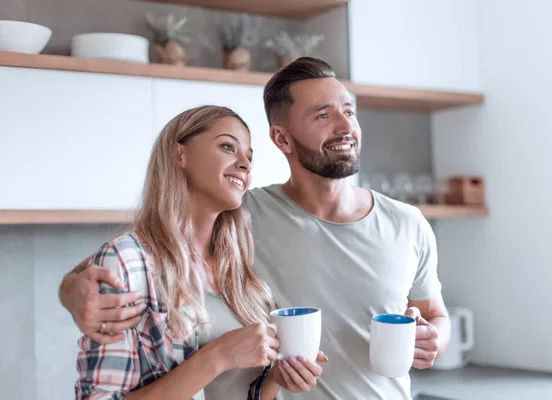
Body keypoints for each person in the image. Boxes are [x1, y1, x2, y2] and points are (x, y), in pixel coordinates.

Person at [61, 58, 450, 400]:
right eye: (322, 115)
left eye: (349, 111)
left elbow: (435, 315)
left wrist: (436, 339)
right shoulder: (242, 214)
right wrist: (73, 290)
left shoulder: (408, 222)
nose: (344, 125)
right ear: (282, 138)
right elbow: (133, 258)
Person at [69, 105, 324, 400]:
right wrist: (218, 356)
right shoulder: (128, 261)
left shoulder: (238, 267)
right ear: (180, 155)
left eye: (250, 157)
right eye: (228, 147)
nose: (245, 164)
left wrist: (274, 379)